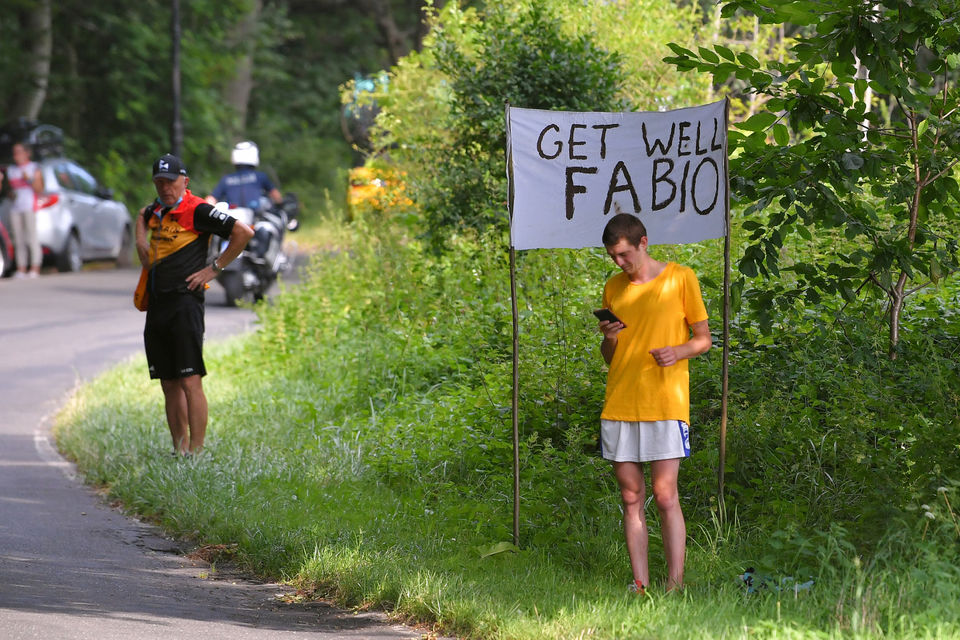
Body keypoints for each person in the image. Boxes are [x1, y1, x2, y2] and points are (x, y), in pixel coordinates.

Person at [596, 213, 711, 593]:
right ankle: (640, 583)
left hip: (665, 403)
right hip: (621, 402)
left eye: (625, 254)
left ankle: (674, 584)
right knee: (631, 496)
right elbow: (610, 357)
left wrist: (677, 352)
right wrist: (610, 337)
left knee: (665, 495)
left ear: (643, 243)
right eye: (613, 256)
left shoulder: (681, 278)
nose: (619, 263)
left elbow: (703, 339)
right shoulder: (613, 287)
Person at [136, 153, 254, 455]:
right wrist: (140, 235)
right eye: (159, 182)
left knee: (189, 380)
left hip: (185, 304)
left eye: (171, 181)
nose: (165, 187)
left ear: (184, 181)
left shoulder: (198, 209)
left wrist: (214, 268)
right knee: (168, 382)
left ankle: (198, 452)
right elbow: (142, 224)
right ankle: (180, 450)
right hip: (158, 305)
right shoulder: (155, 212)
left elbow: (243, 232)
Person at [6, 142, 44, 278]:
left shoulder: (34, 168)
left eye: (19, 152)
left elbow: (39, 189)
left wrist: (29, 180)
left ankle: (35, 267)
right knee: (18, 238)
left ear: (27, 153)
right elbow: (9, 191)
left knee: (31, 237)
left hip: (29, 205)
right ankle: (21, 268)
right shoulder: (11, 170)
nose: (16, 155)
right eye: (15, 152)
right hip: (16, 207)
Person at [207, 141, 282, 208]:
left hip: (232, 220)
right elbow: (276, 196)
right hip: (255, 219)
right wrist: (281, 205)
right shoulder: (260, 176)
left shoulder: (226, 179)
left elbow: (211, 200)